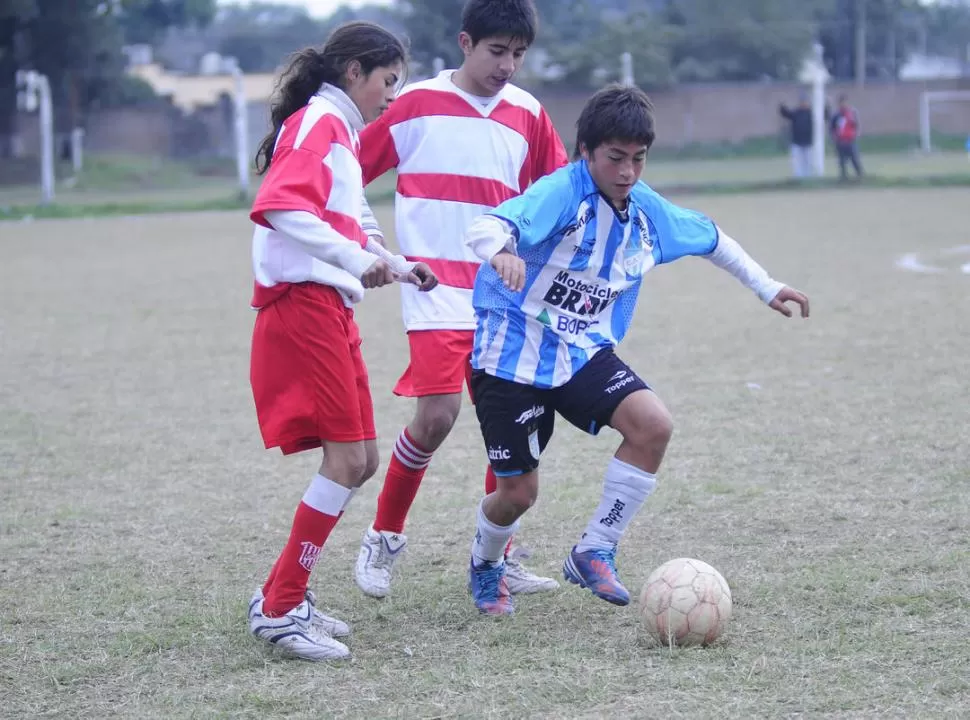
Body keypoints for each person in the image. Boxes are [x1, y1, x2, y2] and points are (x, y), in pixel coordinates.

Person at [461, 84, 810, 616]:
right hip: (512, 351)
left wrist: (767, 287)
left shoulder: (645, 211)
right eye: (615, 158)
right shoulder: (562, 193)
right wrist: (501, 252)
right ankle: (486, 564)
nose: (627, 171)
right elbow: (487, 225)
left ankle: (594, 548)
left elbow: (713, 239)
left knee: (653, 427)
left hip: (581, 350)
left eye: (638, 159)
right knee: (518, 495)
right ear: (586, 152)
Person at [353, 0, 569, 600]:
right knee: (437, 416)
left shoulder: (528, 113)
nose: (508, 66)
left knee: (509, 424)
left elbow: (557, 196)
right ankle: (385, 535)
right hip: (434, 291)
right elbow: (346, 177)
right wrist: (370, 246)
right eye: (496, 52)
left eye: (519, 55)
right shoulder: (415, 103)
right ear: (465, 42)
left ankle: (499, 555)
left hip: (503, 298)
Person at [245, 22, 438, 661]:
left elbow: (351, 220)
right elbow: (281, 208)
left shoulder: (340, 134)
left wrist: (395, 261)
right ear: (353, 71)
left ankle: (282, 593)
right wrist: (358, 261)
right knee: (348, 461)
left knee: (363, 459)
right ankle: (280, 608)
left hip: (329, 306)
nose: (389, 95)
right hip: (303, 304)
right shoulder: (317, 124)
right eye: (387, 81)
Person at [779, 92, 813, 178]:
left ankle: (807, 177)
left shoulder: (811, 113)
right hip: (796, 141)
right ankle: (798, 177)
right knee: (797, 161)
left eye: (805, 101)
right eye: (802, 101)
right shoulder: (796, 112)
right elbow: (786, 114)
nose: (803, 103)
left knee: (808, 161)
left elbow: (824, 115)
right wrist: (782, 106)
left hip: (808, 141)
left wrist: (827, 106)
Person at [830, 94, 863, 180]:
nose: (843, 104)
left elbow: (856, 125)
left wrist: (855, 134)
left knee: (854, 159)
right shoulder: (836, 115)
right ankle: (844, 178)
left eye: (844, 102)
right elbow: (832, 128)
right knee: (842, 162)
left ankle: (860, 176)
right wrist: (834, 138)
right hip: (840, 141)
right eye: (841, 102)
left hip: (850, 140)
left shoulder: (852, 113)